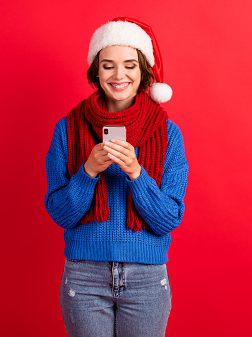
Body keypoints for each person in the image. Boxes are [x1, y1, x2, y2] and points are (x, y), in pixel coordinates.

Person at [45, 17, 189, 336]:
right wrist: (88, 172)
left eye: (129, 65)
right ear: (96, 72)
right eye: (108, 65)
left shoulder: (167, 133)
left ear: (143, 73)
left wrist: (138, 174)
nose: (119, 75)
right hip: (83, 277)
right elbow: (60, 213)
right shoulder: (68, 129)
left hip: (146, 278)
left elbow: (169, 218)